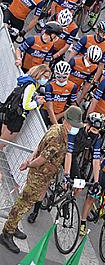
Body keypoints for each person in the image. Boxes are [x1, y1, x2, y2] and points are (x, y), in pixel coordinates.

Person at [0, 106, 83, 253]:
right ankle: (7, 233)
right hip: (39, 175)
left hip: (43, 175)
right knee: (24, 204)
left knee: (25, 202)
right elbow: (43, 158)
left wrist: (30, 161)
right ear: (68, 122)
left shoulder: (57, 129)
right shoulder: (58, 136)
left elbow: (40, 146)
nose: (75, 129)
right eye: (75, 125)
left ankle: (13, 225)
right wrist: (29, 164)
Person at [0, 64, 50, 150]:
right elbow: (26, 105)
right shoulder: (31, 85)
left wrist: (34, 98)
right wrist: (37, 103)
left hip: (10, 111)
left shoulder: (26, 79)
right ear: (39, 73)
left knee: (2, 140)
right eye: (45, 77)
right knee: (3, 143)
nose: (46, 80)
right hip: (16, 118)